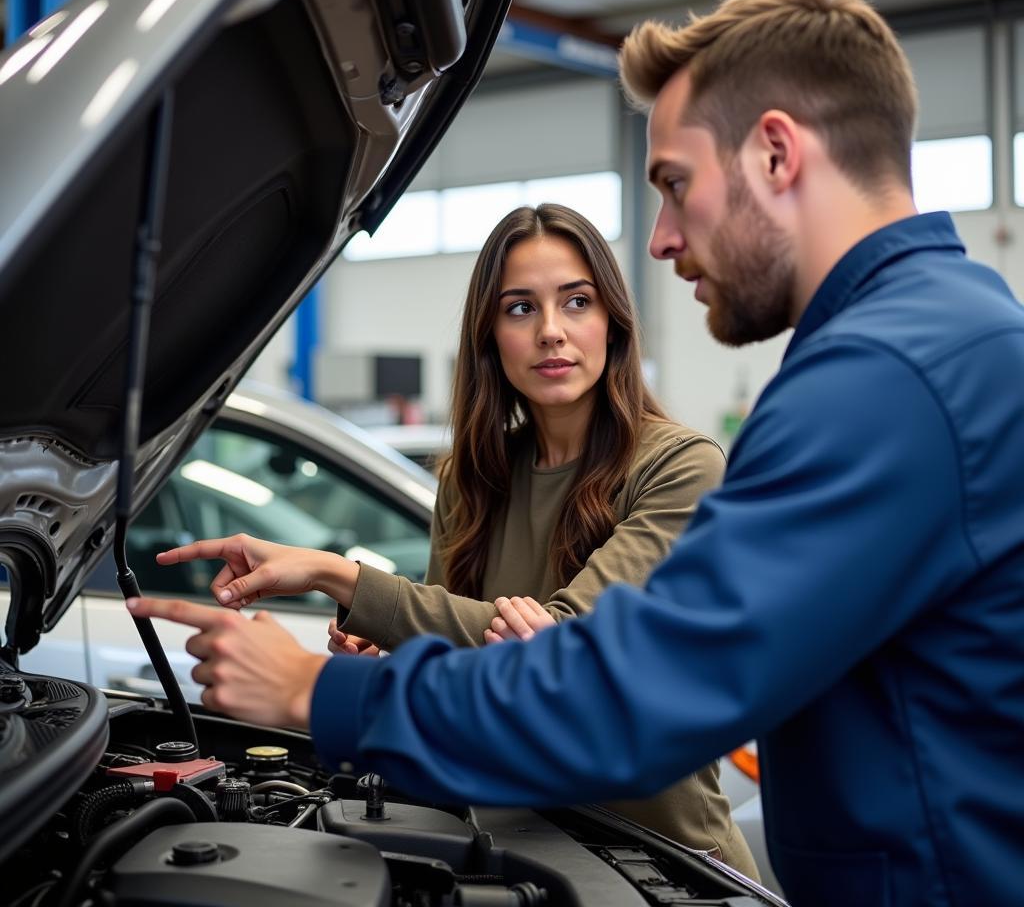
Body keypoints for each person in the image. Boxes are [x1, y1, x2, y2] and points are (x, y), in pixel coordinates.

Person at [129, 0, 1024, 907]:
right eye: (521, 309)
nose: (666, 240)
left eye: (675, 185)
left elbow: (636, 694)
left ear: (775, 152)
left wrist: (317, 691)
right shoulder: (940, 342)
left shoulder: (887, 381)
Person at [147, 204, 757, 874]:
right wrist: (392, 646)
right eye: (520, 308)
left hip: (661, 863)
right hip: (518, 849)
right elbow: (469, 680)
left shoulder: (681, 466)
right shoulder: (472, 482)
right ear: (490, 335)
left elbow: (568, 648)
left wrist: (339, 576)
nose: (552, 331)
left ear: (613, 321)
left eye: (576, 302)